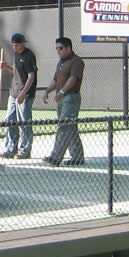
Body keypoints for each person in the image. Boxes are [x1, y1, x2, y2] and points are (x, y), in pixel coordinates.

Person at [43, 36, 85, 166]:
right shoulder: (61, 62)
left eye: (60, 48)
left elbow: (73, 79)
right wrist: (47, 91)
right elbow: (55, 80)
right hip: (61, 99)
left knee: (64, 126)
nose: (58, 51)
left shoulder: (77, 61)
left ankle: (55, 157)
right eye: (57, 49)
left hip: (71, 98)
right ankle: (77, 157)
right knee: (70, 128)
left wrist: (62, 92)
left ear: (68, 48)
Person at [0, 32, 37, 158]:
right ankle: (10, 148)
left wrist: (23, 93)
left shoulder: (29, 55)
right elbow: (16, 70)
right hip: (13, 92)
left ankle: (25, 150)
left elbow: (31, 76)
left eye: (17, 45)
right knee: (10, 120)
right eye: (13, 45)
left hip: (25, 94)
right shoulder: (15, 55)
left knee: (24, 122)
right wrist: (6, 67)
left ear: (23, 44)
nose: (15, 47)